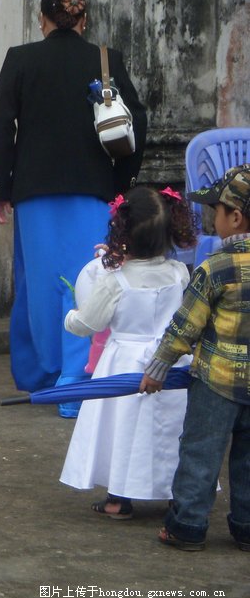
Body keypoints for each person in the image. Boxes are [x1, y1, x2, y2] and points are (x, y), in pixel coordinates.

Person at [0, 0, 148, 417]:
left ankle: (42, 375)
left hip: (35, 191)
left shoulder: (21, 58)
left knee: (38, 284)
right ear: (84, 19)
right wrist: (121, 182)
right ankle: (77, 380)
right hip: (92, 189)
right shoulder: (105, 60)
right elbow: (137, 121)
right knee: (88, 280)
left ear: (42, 19)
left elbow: (3, 125)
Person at [59, 186, 196, 519]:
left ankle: (119, 498)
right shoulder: (179, 274)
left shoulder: (114, 281)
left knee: (122, 428)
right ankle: (178, 495)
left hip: (124, 362)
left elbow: (89, 323)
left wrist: (70, 316)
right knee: (169, 428)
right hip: (171, 361)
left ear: (122, 235)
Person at [141, 165, 250, 552]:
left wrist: (157, 370)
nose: (213, 219)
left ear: (234, 217)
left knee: (200, 454)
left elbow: (184, 328)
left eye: (216, 211)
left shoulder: (214, 269)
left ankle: (187, 526)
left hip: (216, 383)